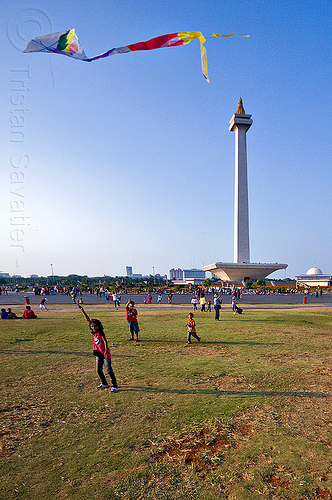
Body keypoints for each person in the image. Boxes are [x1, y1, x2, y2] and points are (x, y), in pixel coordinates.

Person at [77, 304, 118, 391]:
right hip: (98, 353)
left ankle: (115, 386)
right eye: (92, 326)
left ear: (99, 326)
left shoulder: (100, 332)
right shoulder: (94, 332)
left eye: (95, 326)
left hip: (104, 353)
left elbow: (105, 342)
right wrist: (82, 310)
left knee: (109, 370)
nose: (93, 327)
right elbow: (88, 320)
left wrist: (106, 351)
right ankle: (104, 383)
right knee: (98, 370)